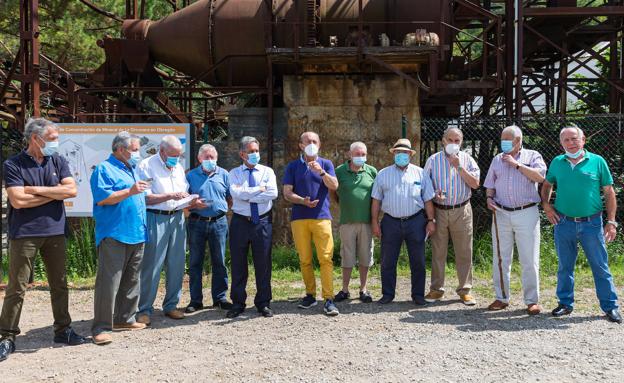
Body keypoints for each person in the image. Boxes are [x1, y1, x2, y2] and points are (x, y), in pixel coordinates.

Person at [0, 118, 87, 361]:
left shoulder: (57, 160)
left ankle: (63, 330)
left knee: (59, 283)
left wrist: (34, 190)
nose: (55, 143)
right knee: (17, 287)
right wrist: (53, 194)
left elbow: (71, 190)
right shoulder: (13, 164)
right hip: (25, 232)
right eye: (51, 139)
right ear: (35, 139)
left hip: (55, 230)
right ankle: (6, 336)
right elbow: (18, 201)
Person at [541, 126, 621, 323]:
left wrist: (611, 222)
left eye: (574, 139)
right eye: (566, 140)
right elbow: (547, 184)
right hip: (563, 222)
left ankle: (610, 306)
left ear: (583, 139)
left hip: (591, 224)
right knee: (564, 266)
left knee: (600, 266)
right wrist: (546, 205)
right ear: (561, 143)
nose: (571, 143)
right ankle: (565, 304)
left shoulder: (597, 161)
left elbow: (609, 192)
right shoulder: (557, 163)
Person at [90, 131, 149, 345]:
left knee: (132, 280)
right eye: (134, 149)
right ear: (121, 149)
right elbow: (103, 199)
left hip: (137, 232)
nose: (138, 153)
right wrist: (130, 191)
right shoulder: (104, 169)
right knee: (109, 283)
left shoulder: (131, 169)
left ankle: (125, 318)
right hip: (114, 233)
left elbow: (138, 197)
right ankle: (101, 328)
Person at [483, 125, 546, 315]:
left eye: (508, 139)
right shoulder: (496, 159)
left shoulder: (533, 155)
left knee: (529, 258)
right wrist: (488, 198)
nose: (504, 143)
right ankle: (502, 297)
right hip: (501, 212)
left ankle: (532, 301)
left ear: (518, 141)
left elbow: (540, 177)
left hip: (526, 212)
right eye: (502, 139)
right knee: (501, 257)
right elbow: (490, 184)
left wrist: (516, 164)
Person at [371, 138, 436, 305]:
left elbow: (428, 199)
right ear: (394, 154)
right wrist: (375, 222)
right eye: (398, 152)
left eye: (405, 152)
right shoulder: (383, 174)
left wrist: (431, 220)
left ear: (410, 154)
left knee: (418, 261)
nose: (402, 155)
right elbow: (376, 201)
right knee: (387, 260)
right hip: (390, 222)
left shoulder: (420, 173)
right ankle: (387, 294)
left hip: (416, 222)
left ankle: (418, 295)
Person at [283, 131, 340, 316]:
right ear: (300, 145)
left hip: (322, 217)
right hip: (299, 217)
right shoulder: (292, 166)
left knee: (326, 258)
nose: (311, 143)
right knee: (305, 259)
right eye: (307, 141)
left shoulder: (326, 164)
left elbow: (334, 186)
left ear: (320, 144)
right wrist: (302, 201)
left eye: (315, 140)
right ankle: (310, 295)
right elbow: (287, 192)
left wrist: (321, 172)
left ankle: (329, 299)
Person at [136, 136, 191, 324]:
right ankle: (144, 309)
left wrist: (191, 201)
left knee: (177, 264)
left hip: (177, 218)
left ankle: (171, 305)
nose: (176, 159)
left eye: (178, 155)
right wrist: (170, 195)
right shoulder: (146, 166)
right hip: (156, 218)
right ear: (161, 151)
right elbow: (145, 198)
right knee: (152, 266)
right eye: (173, 155)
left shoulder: (178, 168)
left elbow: (183, 191)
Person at [423, 127, 480, 305]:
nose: (453, 144)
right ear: (443, 140)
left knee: (464, 251)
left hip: (462, 210)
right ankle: (436, 289)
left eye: (457, 141)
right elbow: (424, 187)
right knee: (438, 251)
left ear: (461, 142)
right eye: (450, 140)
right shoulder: (432, 160)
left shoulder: (468, 159)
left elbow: (476, 184)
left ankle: (465, 290)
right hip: (439, 210)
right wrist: (434, 195)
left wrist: (459, 167)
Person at [226, 137, 278, 318]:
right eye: (251, 151)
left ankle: (263, 302)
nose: (255, 154)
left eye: (256, 151)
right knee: (238, 263)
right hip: (240, 221)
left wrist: (248, 195)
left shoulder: (267, 171)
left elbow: (273, 193)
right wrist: (259, 191)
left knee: (263, 263)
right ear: (242, 154)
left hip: (262, 221)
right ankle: (238, 302)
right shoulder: (233, 173)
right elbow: (236, 193)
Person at [185, 144, 233, 313]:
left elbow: (230, 199)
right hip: (197, 222)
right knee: (195, 261)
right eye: (206, 157)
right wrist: (193, 204)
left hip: (219, 223)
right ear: (199, 159)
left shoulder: (225, 174)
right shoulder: (190, 176)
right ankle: (196, 300)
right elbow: (184, 200)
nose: (210, 160)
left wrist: (220, 211)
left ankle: (220, 298)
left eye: (213, 157)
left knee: (219, 261)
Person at [332, 142, 377, 303]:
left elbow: (376, 197)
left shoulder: (372, 171)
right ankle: (345, 289)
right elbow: (334, 193)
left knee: (366, 255)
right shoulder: (339, 171)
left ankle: (363, 289)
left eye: (363, 154)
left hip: (366, 222)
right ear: (349, 155)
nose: (360, 157)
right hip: (347, 221)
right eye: (357, 154)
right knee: (347, 256)